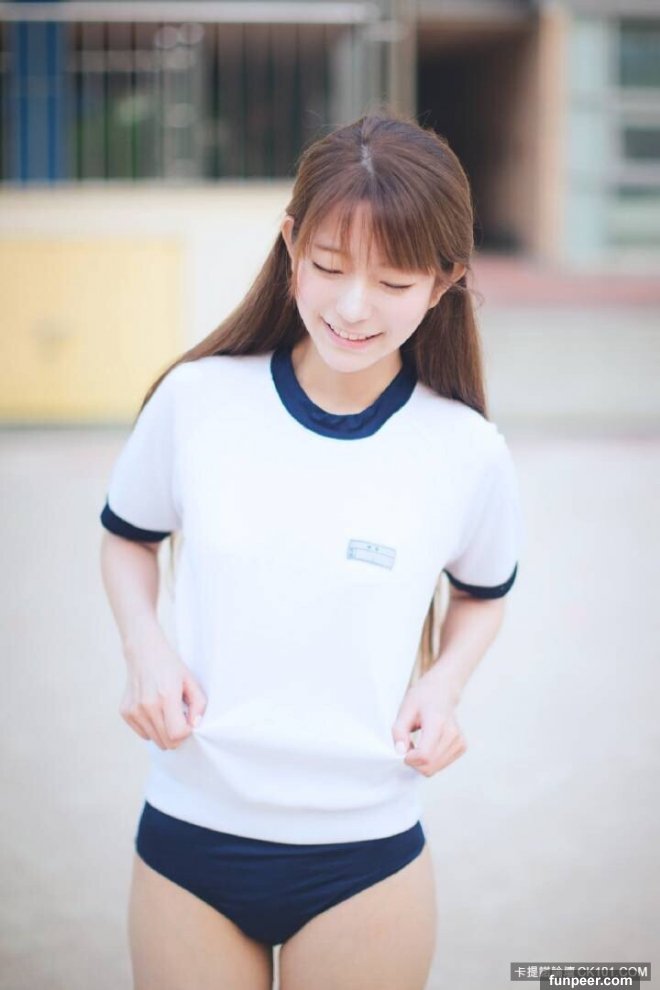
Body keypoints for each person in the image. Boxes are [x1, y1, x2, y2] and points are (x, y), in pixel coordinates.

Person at [99, 111, 523, 990]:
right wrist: (146, 649)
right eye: (329, 266)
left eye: (394, 280)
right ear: (291, 244)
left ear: (444, 283)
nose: (353, 306)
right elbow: (127, 538)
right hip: (189, 836)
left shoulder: (466, 448)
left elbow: (484, 592)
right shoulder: (196, 400)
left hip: (366, 856)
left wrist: (443, 685)